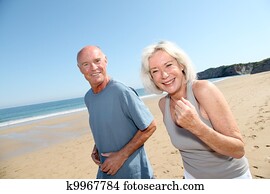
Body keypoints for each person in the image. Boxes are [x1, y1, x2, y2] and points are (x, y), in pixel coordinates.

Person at [140, 41, 252, 179]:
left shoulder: (203, 90)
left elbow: (238, 150)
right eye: (155, 71)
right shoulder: (163, 104)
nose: (163, 75)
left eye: (168, 65)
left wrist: (197, 127)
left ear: (181, 65)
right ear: (151, 78)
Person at [77, 45, 156, 179]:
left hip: (134, 174)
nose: (93, 68)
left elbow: (150, 126)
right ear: (80, 69)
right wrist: (97, 146)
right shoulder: (88, 97)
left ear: (105, 61)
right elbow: (108, 125)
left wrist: (121, 156)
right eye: (86, 64)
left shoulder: (121, 91)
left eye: (97, 61)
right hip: (106, 171)